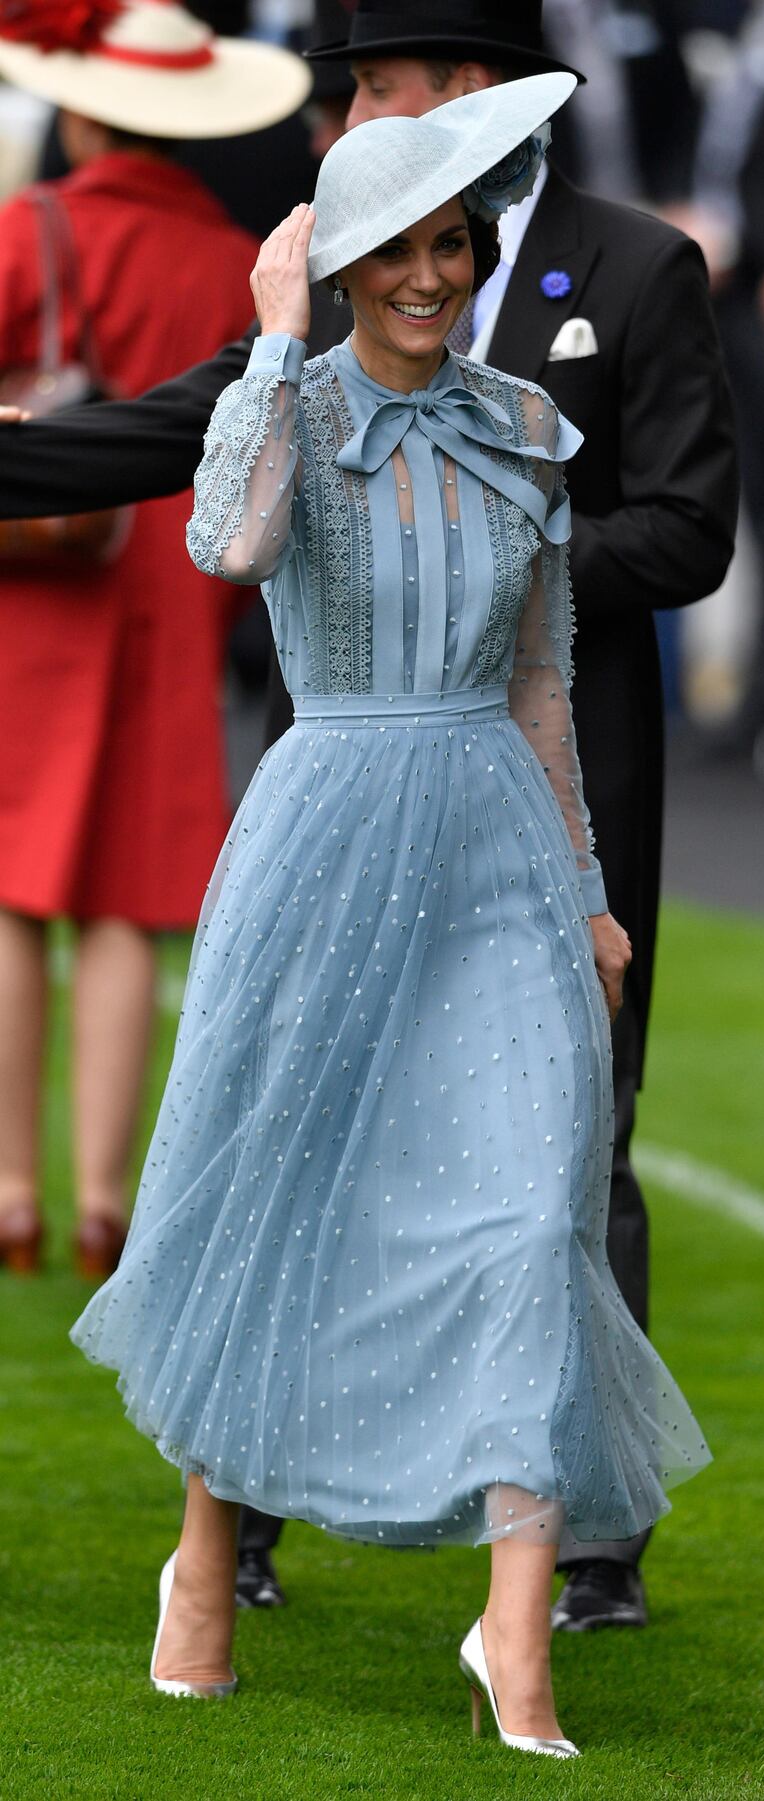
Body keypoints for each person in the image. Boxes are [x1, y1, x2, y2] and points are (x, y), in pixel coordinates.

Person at [0, 0, 737, 1629]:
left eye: (377, 86)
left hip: (534, 787)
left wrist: (482, 556)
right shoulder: (317, 310)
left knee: (560, 1155)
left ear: (457, 92)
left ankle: (578, 1554)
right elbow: (198, 450)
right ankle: (237, 1527)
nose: (350, 113)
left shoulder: (633, 268)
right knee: (296, 1139)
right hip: (339, 795)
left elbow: (686, 531)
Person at [0, 0, 310, 1278]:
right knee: (132, 894)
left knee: (15, 888)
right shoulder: (238, 256)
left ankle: (8, 1185)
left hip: (36, 588)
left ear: (80, 107)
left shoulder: (30, 227)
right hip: (182, 588)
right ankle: (100, 1195)